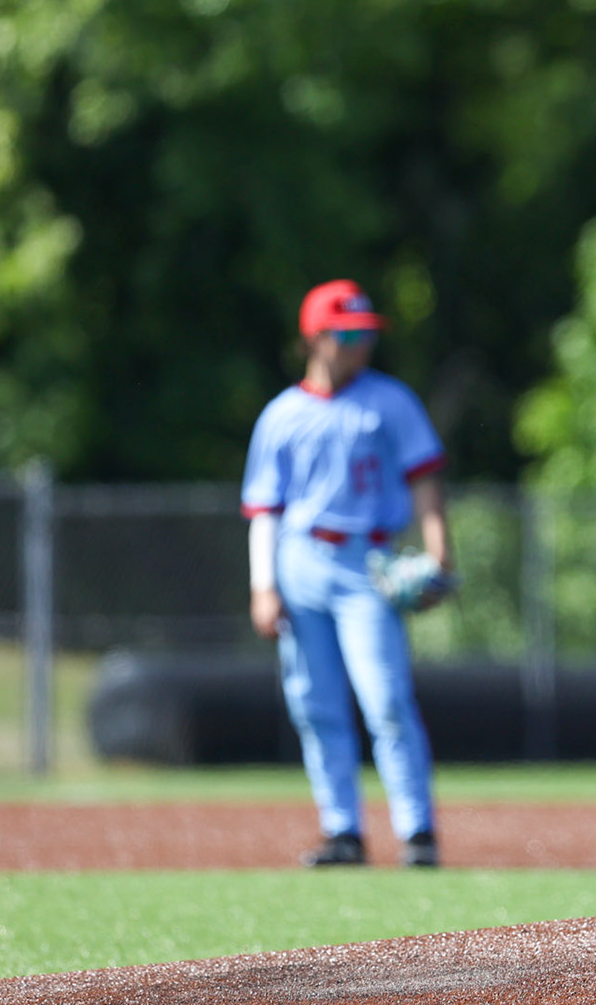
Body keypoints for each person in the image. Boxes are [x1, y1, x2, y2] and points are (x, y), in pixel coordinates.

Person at [241, 278, 452, 868]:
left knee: (385, 697)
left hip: (367, 562)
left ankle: (417, 831)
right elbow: (265, 509)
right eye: (347, 334)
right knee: (315, 703)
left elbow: (426, 476)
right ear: (314, 337)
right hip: (300, 559)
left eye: (366, 334)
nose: (360, 344)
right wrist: (263, 586)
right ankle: (343, 831)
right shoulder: (281, 416)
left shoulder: (390, 401)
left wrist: (439, 551)